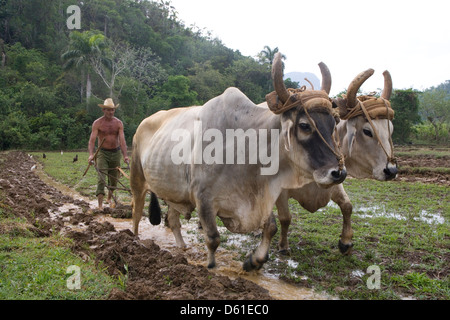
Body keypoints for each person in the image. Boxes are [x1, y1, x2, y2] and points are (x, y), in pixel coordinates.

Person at [88, 98, 129, 210]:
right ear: (104, 110)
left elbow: (122, 140)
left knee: (114, 180)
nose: (110, 112)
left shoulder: (118, 123)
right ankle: (100, 206)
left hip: (115, 153)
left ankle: (109, 199)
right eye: (108, 110)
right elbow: (92, 140)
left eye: (112, 110)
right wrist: (91, 154)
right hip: (102, 153)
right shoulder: (97, 123)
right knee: (101, 178)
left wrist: (125, 156)